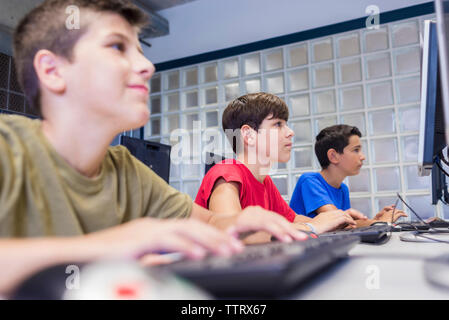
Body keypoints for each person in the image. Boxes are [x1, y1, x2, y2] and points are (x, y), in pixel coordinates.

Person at [0, 0, 307, 296]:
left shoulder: (127, 170)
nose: (147, 65)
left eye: (139, 50)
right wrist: (112, 246)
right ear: (53, 71)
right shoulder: (8, 146)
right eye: (117, 46)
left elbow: (211, 222)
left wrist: (242, 221)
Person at [195, 93, 367, 243]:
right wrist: (311, 226)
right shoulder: (226, 171)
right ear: (248, 135)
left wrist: (336, 221)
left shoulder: (265, 181)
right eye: (278, 124)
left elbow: (292, 219)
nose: (290, 132)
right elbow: (231, 233)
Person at [289, 124, 407, 227]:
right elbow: (339, 222)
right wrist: (379, 223)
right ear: (333, 156)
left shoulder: (343, 189)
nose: (362, 157)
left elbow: (346, 226)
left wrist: (375, 220)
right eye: (356, 150)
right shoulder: (309, 181)